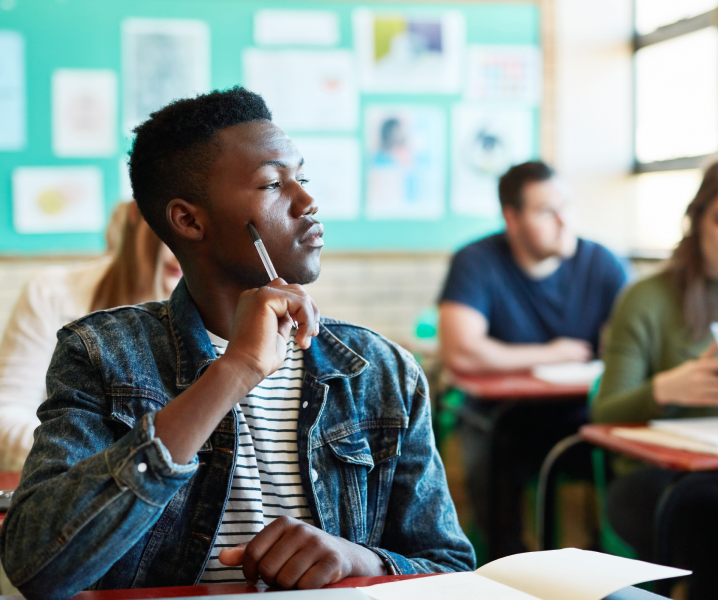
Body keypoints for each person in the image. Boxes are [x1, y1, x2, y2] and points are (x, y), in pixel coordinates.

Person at [0, 87, 474, 600]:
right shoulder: (100, 354)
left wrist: (357, 559)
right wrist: (236, 370)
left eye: (303, 177)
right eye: (272, 184)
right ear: (188, 220)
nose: (308, 201)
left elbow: (448, 567)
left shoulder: (380, 370)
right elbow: (38, 568)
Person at [592, 150, 718, 600]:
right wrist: (662, 390)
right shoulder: (646, 298)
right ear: (698, 220)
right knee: (704, 518)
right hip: (658, 476)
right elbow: (602, 412)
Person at [438, 161, 628, 559]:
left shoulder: (603, 263)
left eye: (567, 207)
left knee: (628, 443)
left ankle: (605, 561)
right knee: (486, 450)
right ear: (512, 218)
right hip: (502, 419)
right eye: (546, 211)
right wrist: (551, 353)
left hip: (584, 413)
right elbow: (462, 350)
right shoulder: (476, 261)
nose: (564, 221)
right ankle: (502, 565)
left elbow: (634, 347)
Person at [0, 200, 182, 471]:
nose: (182, 251)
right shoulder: (53, 293)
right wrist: (109, 462)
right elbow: (7, 416)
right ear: (136, 212)